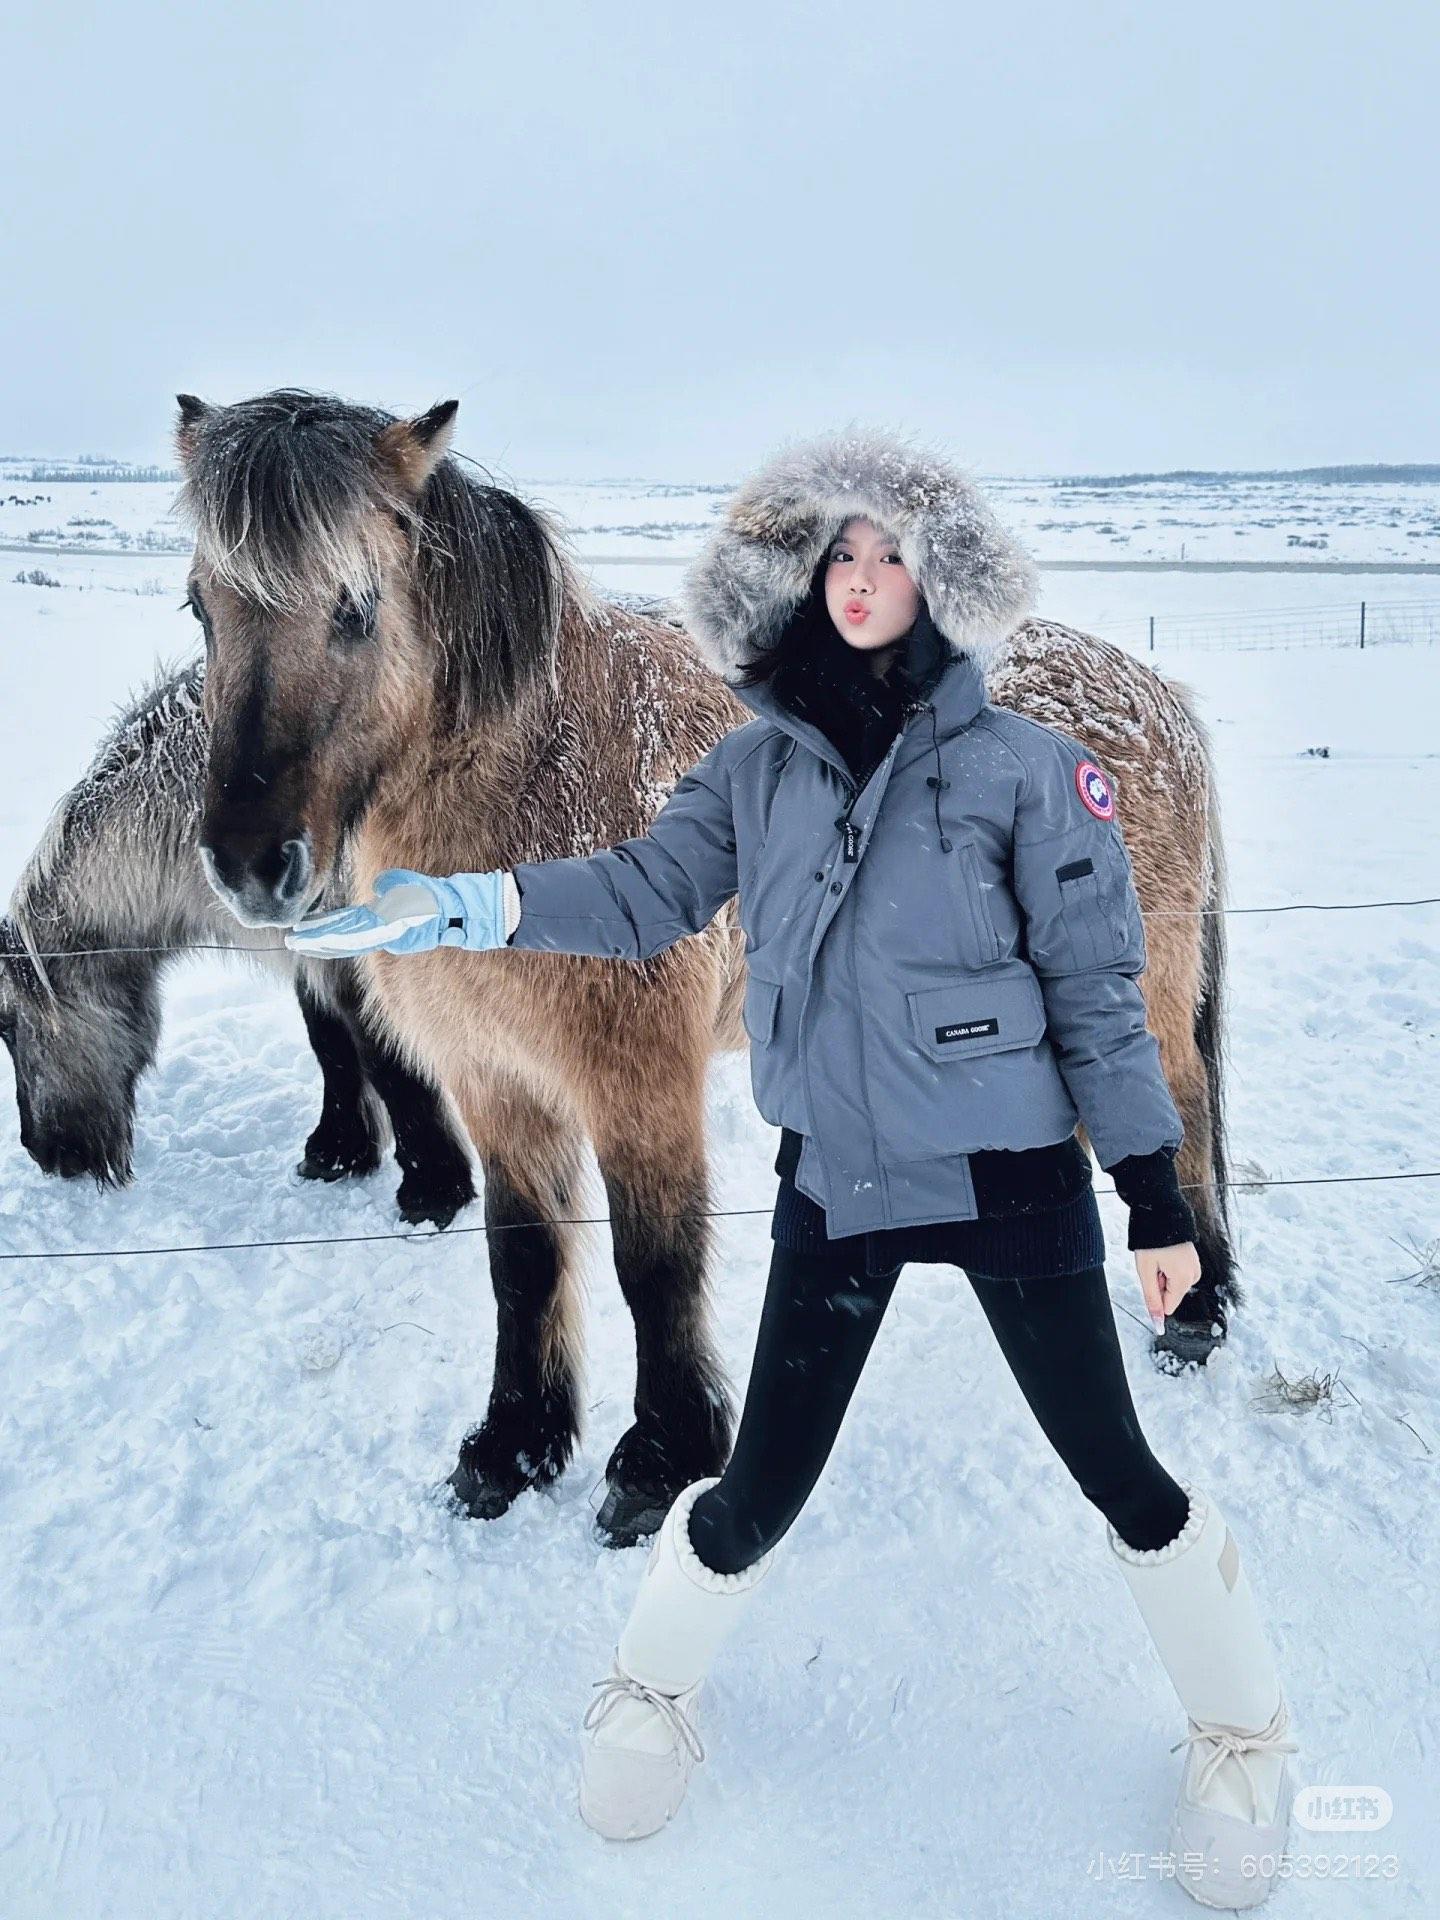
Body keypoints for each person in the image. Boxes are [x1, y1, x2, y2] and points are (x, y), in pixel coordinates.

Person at [285, 429, 1296, 1908]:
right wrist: (474, 901)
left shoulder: (1043, 772)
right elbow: (641, 893)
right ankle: (648, 1694)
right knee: (749, 1489)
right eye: (839, 557)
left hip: (1018, 1185)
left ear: (949, 581)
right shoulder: (754, 773)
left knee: (1122, 1474)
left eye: (896, 554)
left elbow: (1104, 1001)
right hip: (841, 1190)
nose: (867, 579)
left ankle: (1245, 1726)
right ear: (796, 589)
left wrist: (1154, 1194)